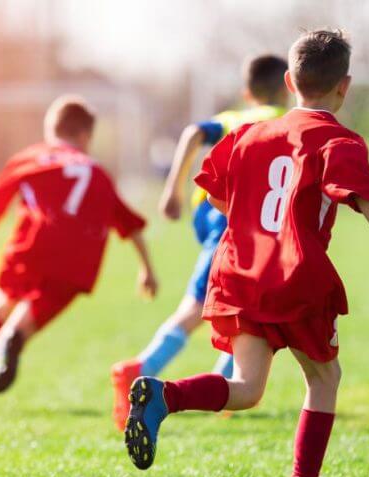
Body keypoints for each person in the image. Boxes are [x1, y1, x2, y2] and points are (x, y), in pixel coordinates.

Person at [121, 30, 369, 477]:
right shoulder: (338, 139)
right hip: (296, 277)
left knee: (246, 389)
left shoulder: (246, 135)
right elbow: (366, 197)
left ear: (290, 81)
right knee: (324, 377)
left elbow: (220, 195)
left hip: (241, 273)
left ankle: (166, 396)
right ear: (343, 87)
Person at [0, 95, 158, 410]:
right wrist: (147, 268)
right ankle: (14, 335)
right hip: (77, 258)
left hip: (31, 247)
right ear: (85, 136)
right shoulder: (97, 173)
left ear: (51, 129)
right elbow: (131, 226)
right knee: (33, 310)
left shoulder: (31, 158)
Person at [110, 55, 290, 431]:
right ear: (287, 87)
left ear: (246, 92)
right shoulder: (283, 121)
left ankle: (224, 386)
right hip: (236, 219)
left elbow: (194, 132)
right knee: (201, 306)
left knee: (243, 303)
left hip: (212, 214)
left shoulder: (232, 118)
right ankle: (139, 370)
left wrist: (173, 190)